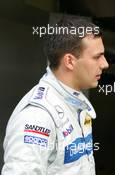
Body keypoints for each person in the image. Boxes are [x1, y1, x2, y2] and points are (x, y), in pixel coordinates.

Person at [2, 16, 109, 175]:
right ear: (70, 61)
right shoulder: (38, 116)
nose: (105, 64)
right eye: (96, 57)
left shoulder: (74, 103)